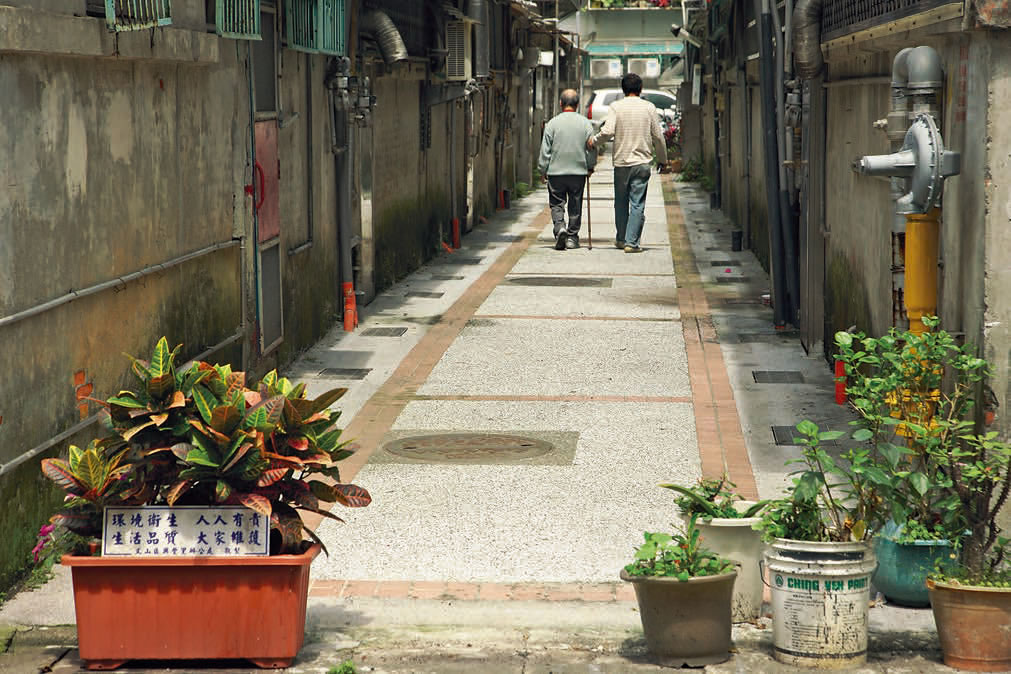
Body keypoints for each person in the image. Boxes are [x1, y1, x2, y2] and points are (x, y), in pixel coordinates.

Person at [587, 73, 669, 253]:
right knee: (637, 203)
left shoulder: (616, 106)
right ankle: (632, 243)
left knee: (621, 202)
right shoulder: (649, 107)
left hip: (622, 162)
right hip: (642, 163)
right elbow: (658, 136)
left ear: (623, 89)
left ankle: (622, 238)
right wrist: (663, 160)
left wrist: (594, 141)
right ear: (640, 89)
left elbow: (607, 132)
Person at [537, 89, 597, 250]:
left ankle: (559, 227)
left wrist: (542, 169)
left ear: (560, 103)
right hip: (578, 172)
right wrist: (590, 166)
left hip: (556, 172)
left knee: (557, 203)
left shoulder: (552, 124)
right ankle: (572, 237)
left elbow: (545, 150)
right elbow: (591, 147)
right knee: (575, 204)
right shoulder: (585, 123)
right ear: (577, 105)